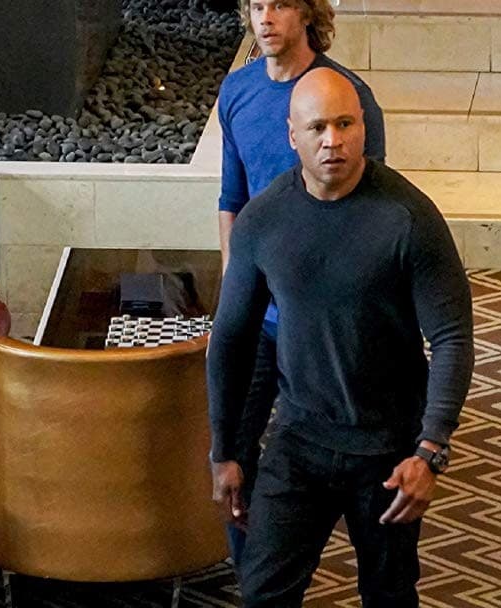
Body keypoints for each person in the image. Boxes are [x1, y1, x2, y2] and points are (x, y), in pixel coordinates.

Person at [208, 67, 473, 607]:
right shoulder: (263, 220)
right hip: (300, 438)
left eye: (345, 124)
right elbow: (232, 339)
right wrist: (225, 450)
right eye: (318, 128)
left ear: (363, 129)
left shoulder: (409, 218)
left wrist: (430, 451)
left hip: (388, 448)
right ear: (293, 136)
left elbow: (451, 337)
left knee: (388, 594)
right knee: (262, 593)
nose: (333, 140)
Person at [215, 0, 386, 565]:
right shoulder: (237, 92)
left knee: (345, 458)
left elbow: (370, 208)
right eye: (256, 5)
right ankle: (255, 577)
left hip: (322, 323)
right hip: (259, 320)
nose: (266, 18)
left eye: (281, 4)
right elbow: (232, 199)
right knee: (234, 455)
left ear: (309, 13)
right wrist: (234, 291)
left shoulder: (346, 98)